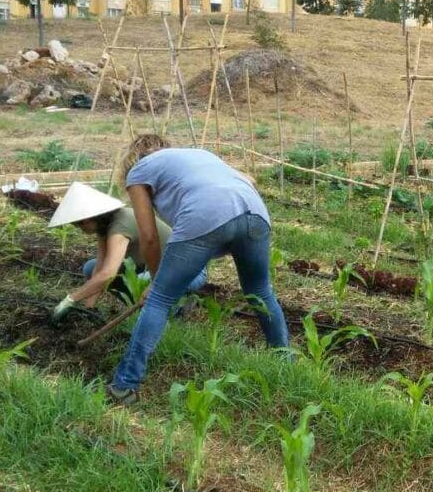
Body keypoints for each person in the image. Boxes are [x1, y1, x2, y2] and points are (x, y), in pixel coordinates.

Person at [106, 134, 289, 405]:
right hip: (255, 211)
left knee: (160, 299)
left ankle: (124, 385)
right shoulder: (199, 155)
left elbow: (149, 237)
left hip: (206, 214)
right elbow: (250, 180)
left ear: (131, 160)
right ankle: (286, 362)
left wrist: (156, 283)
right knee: (260, 291)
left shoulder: (139, 172)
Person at [46, 183, 207, 324]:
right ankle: (141, 305)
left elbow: (108, 274)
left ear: (92, 216)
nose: (79, 228)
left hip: (187, 271)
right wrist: (90, 307)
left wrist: (70, 299)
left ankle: (173, 309)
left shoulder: (120, 227)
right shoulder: (105, 226)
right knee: (91, 267)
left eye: (80, 223)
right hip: (151, 268)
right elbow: (100, 268)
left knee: (141, 281)